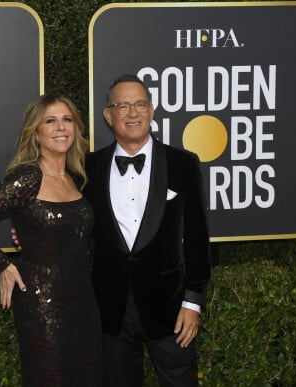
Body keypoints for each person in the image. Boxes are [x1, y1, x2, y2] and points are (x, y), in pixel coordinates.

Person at [0, 93, 103, 386]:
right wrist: (3, 266)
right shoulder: (28, 178)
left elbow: (82, 242)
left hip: (84, 302)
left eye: (67, 120)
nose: (61, 128)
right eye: (51, 121)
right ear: (36, 132)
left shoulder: (76, 176)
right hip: (42, 303)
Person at [83, 74, 212, 386]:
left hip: (170, 308)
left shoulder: (182, 163)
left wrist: (193, 301)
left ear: (152, 111)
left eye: (140, 104)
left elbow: (198, 237)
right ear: (108, 114)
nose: (132, 113)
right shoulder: (88, 167)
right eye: (123, 105)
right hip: (110, 310)